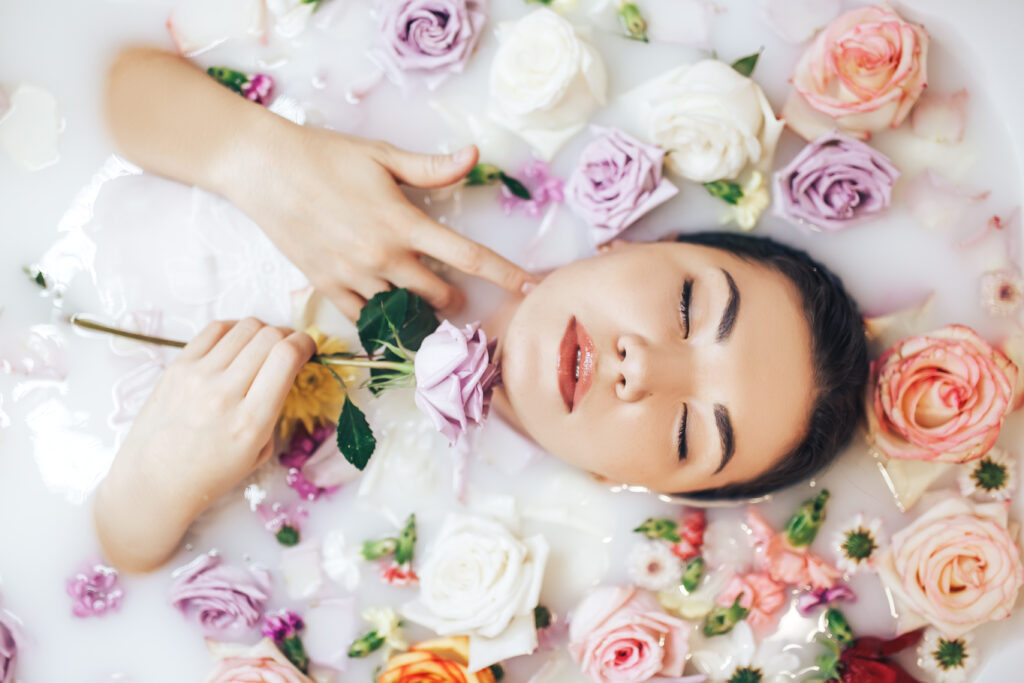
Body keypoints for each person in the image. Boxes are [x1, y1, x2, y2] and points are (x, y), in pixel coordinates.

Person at [95, 48, 868, 572]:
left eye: (686, 430)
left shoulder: (451, 541)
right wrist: (262, 159)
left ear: (625, 482)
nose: (641, 365)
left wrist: (161, 479)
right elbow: (113, 83)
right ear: (630, 245)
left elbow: (123, 559)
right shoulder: (448, 160)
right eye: (689, 304)